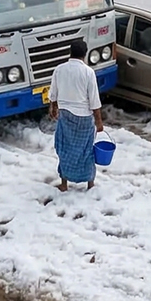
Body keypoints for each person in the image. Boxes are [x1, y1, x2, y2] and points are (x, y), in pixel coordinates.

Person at [47, 39, 106, 191]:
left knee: (65, 150)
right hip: (84, 118)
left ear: (70, 52)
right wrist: (99, 122)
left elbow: (53, 94)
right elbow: (94, 101)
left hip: (65, 116)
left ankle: (64, 183)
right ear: (85, 55)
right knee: (86, 151)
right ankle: (90, 184)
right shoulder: (88, 72)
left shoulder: (59, 69)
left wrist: (53, 107)